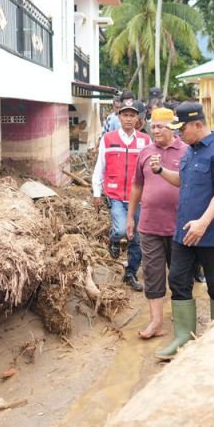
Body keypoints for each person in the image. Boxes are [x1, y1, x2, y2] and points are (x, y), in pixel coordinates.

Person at [150, 101, 214, 360]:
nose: (178, 135)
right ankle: (183, 337)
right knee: (177, 280)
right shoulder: (190, 151)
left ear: (198, 124)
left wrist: (203, 223)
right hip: (184, 231)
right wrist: (160, 170)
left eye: (182, 129)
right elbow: (182, 180)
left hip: (211, 234)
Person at [127, 107, 187, 340]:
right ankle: (156, 322)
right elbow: (137, 186)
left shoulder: (186, 150)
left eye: (160, 126)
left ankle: (183, 319)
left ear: (172, 127)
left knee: (180, 275)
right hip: (149, 225)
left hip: (179, 225)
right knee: (152, 274)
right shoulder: (144, 152)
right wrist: (131, 217)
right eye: (153, 126)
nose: (156, 130)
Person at [92, 95, 151, 291]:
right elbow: (100, 166)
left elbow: (150, 169)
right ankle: (114, 239)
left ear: (137, 119)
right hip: (115, 195)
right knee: (120, 230)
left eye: (131, 115)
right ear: (118, 117)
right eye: (124, 115)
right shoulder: (108, 139)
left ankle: (130, 273)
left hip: (139, 197)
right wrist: (96, 192)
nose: (128, 119)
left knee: (136, 237)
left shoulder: (145, 141)